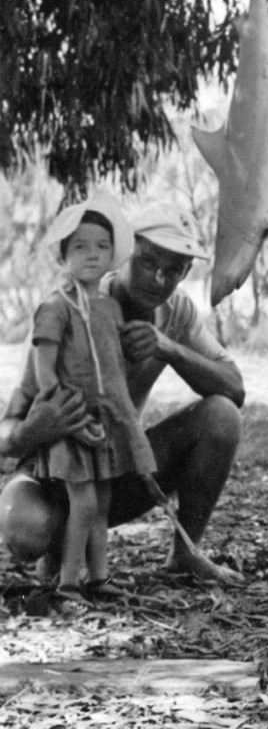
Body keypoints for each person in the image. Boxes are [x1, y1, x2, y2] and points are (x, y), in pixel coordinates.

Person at [0, 201, 246, 586]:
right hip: (51, 472)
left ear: (187, 272)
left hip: (112, 468)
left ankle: (185, 554)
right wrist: (34, 430)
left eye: (174, 270)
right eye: (148, 262)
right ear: (125, 253)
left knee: (222, 415)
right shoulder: (67, 308)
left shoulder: (176, 312)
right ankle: (58, 551)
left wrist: (168, 347)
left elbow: (235, 388)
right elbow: (7, 428)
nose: (159, 279)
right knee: (25, 527)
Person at [7, 193, 157, 600]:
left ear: (113, 256)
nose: (92, 255)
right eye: (80, 246)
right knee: (84, 503)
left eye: (102, 246)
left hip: (106, 421)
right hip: (71, 422)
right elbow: (44, 365)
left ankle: (99, 578)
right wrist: (66, 412)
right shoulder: (56, 307)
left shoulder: (109, 307)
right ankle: (67, 582)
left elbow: (112, 365)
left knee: (101, 506)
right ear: (63, 255)